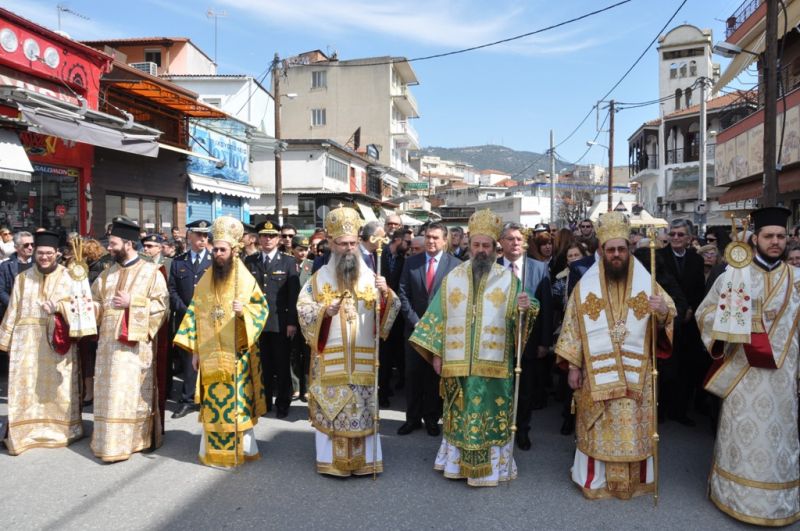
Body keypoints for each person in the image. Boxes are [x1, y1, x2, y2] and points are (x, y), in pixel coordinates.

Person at [409, 209, 535, 486]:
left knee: (491, 417)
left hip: (495, 366)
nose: (480, 250)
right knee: (459, 416)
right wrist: (438, 353)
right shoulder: (453, 277)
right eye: (476, 245)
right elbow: (437, 317)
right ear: (469, 244)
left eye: (486, 245)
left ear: (494, 248)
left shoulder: (508, 279)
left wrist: (527, 308)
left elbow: (521, 318)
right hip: (458, 365)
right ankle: (456, 465)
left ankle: (493, 469)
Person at [556, 211, 676, 499]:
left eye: (621, 249)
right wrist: (573, 366)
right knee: (598, 428)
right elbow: (572, 328)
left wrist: (662, 312)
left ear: (629, 249)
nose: (616, 254)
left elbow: (667, 313)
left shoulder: (648, 282)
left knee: (633, 431)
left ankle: (634, 482)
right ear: (601, 251)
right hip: (597, 376)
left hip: (638, 376)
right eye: (610, 250)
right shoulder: (585, 287)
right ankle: (596, 481)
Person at [697, 207, 800, 526]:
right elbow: (704, 314)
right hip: (743, 374)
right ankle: (733, 494)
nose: (775, 242)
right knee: (741, 435)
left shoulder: (797, 280)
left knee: (780, 436)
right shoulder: (733, 276)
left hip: (784, 376)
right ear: (755, 238)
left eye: (781, 237)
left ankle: (778, 502)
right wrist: (734, 325)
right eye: (769, 236)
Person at [296, 205, 400, 476]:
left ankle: (366, 463)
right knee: (334, 412)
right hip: (332, 362)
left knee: (363, 410)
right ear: (331, 243)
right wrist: (323, 313)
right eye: (342, 244)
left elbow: (388, 316)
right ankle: (334, 464)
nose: (348, 248)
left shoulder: (371, 277)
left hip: (364, 363)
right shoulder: (319, 279)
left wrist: (386, 295)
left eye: (353, 243)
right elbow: (303, 310)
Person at [174, 216, 268, 467]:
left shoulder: (244, 277)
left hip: (237, 354)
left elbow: (261, 309)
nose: (217, 253)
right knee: (214, 403)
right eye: (214, 249)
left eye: (222, 249)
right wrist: (194, 351)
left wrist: (243, 312)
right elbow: (194, 313)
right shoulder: (206, 278)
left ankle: (242, 449)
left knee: (236, 403)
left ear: (234, 250)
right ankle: (213, 450)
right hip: (209, 353)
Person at [0, 231, 95, 455]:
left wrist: (59, 307)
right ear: (34, 253)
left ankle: (61, 429)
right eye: (40, 253)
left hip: (57, 341)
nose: (44, 257)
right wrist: (6, 341)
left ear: (57, 254)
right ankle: (28, 429)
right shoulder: (23, 278)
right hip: (27, 343)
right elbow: (13, 308)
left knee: (58, 388)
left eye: (49, 253)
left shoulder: (70, 276)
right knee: (29, 385)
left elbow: (81, 308)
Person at [90, 216, 169, 462]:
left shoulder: (151, 272)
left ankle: (134, 440)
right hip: (106, 347)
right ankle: (106, 440)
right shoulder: (106, 275)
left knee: (129, 393)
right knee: (108, 392)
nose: (109, 248)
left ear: (128, 243)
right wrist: (83, 308)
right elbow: (96, 305)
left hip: (134, 348)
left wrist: (132, 302)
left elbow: (162, 307)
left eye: (113, 243)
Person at [397, 222, 460, 436]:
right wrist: (416, 321)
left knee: (434, 376)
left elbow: (457, 299)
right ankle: (412, 418)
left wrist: (439, 325)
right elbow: (403, 293)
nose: (431, 241)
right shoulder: (411, 263)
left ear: (444, 240)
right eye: (428, 237)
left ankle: (432, 418)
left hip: (442, 332)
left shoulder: (456, 265)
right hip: (414, 330)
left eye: (435, 238)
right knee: (413, 375)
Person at [498, 222, 552, 450]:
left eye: (519, 238)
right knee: (501, 388)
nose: (515, 242)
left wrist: (544, 342)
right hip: (498, 341)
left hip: (528, 342)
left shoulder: (538, 268)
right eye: (510, 238)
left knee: (525, 390)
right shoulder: (493, 267)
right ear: (501, 242)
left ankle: (522, 430)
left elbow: (548, 308)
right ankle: (500, 429)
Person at [245, 220, 299, 418]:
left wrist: (292, 322)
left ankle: (283, 402)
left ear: (278, 239)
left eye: (272, 236)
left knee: (283, 365)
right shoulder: (250, 261)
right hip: (257, 323)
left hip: (281, 322)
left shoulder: (288, 261)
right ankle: (264, 401)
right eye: (264, 236)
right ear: (258, 238)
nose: (268, 239)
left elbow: (294, 294)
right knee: (263, 366)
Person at [657, 219, 706, 426]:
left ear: (689, 238)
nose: (675, 238)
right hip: (666, 319)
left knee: (686, 368)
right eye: (673, 234)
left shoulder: (696, 260)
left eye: (680, 234)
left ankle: (680, 410)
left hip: (689, 321)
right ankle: (661, 409)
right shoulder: (658, 256)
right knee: (664, 366)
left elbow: (699, 289)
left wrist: (690, 309)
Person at [168, 220, 212, 419]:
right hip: (186, 318)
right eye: (199, 235)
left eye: (205, 236)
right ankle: (187, 400)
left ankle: (207, 399)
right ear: (190, 236)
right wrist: (185, 309)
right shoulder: (179, 261)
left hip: (209, 319)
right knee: (187, 361)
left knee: (208, 359)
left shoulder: (213, 261)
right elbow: (172, 290)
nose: (203, 239)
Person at [378, 229, 407, 406]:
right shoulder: (379, 256)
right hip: (380, 313)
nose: (409, 246)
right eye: (407, 242)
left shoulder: (404, 260)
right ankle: (381, 390)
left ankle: (389, 386)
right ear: (397, 240)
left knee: (393, 354)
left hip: (398, 316)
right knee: (382, 355)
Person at [290, 235, 313, 401]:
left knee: (307, 353)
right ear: (293, 249)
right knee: (293, 353)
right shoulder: (288, 265)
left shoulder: (312, 266)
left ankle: (307, 387)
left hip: (307, 315)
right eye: (300, 249)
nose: (303, 252)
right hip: (291, 315)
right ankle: (296, 387)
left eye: (305, 249)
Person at [0, 231, 34, 323]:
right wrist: (15, 306)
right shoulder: (5, 266)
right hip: (12, 315)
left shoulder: (38, 265)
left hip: (35, 315)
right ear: (16, 248)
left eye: (32, 244)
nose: (30, 248)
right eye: (26, 245)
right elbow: (1, 291)